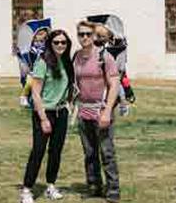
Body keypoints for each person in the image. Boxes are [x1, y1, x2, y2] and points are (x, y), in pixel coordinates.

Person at [19, 29, 73, 203]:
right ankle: (27, 189)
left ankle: (51, 185)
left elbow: (69, 87)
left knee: (56, 151)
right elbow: (35, 93)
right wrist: (43, 119)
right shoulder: (43, 62)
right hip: (44, 112)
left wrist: (69, 104)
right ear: (50, 43)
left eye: (63, 42)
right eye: (56, 42)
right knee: (38, 151)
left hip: (61, 112)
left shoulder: (66, 62)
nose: (60, 45)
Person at [74, 20, 121, 202]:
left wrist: (107, 111)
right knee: (89, 152)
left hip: (101, 110)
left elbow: (114, 84)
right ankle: (94, 186)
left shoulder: (104, 57)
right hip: (84, 112)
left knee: (107, 152)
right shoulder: (76, 57)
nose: (84, 37)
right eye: (81, 34)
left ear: (94, 36)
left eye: (88, 34)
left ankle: (113, 190)